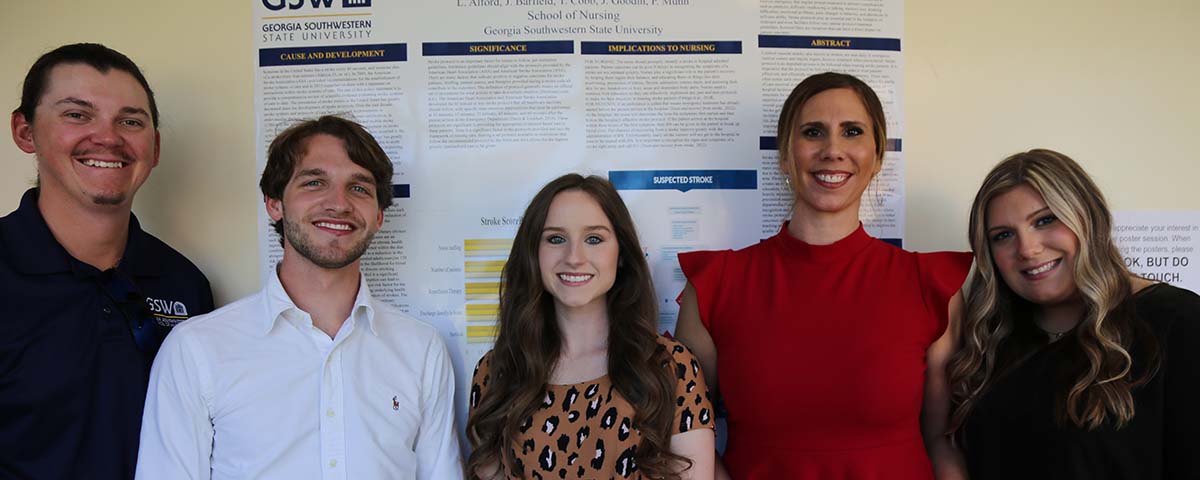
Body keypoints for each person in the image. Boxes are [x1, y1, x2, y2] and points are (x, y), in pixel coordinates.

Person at [673, 72, 972, 479]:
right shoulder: (715, 286)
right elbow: (684, 437)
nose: (833, 150)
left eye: (852, 132)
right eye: (813, 132)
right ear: (784, 155)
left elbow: (941, 441)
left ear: (878, 156)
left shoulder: (929, 285)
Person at [135, 116, 462, 479]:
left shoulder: (422, 349)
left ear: (379, 216)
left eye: (359, 188)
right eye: (314, 182)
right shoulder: (196, 349)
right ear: (274, 203)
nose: (339, 204)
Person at [0, 43, 214, 479]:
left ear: (154, 148)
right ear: (25, 131)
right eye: (77, 114)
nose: (108, 137)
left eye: (130, 121)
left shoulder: (184, 284)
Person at [946, 149, 1200, 479]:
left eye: (1045, 220)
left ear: (1088, 217)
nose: (1027, 248)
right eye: (1003, 236)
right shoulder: (991, 339)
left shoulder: (1178, 322)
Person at [466, 174, 715, 479]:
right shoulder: (497, 372)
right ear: (533, 253)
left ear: (621, 253)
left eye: (594, 239)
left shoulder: (671, 367)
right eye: (555, 238)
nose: (574, 258)